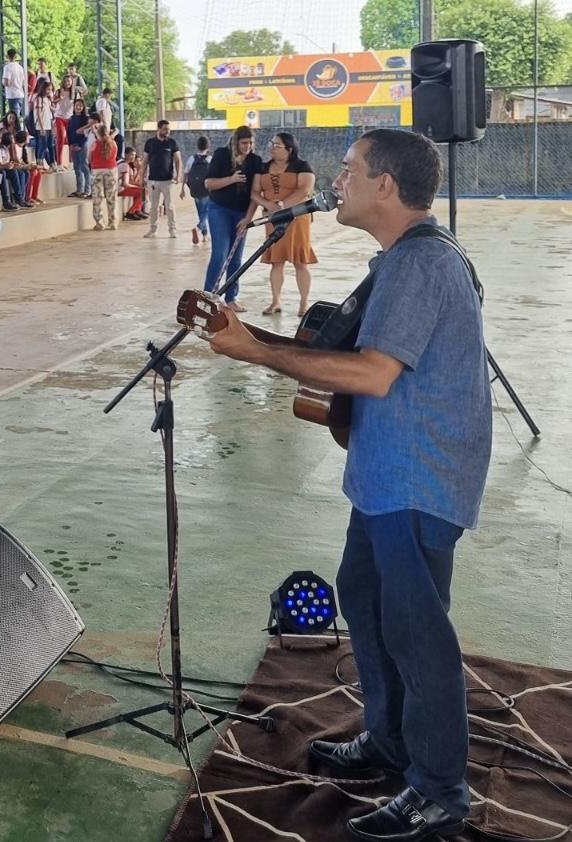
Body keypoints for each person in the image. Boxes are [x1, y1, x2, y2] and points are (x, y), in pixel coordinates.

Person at [207, 128, 489, 842]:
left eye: (352, 168)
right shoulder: (401, 259)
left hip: (418, 478)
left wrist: (255, 350)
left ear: (385, 186)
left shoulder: (421, 265)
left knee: (416, 632)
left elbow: (372, 373)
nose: (338, 177)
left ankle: (439, 791)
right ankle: (390, 741)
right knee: (364, 600)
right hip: (387, 473)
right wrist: (265, 344)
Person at [248, 132, 317, 316]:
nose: (272, 147)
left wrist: (282, 206)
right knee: (276, 262)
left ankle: (304, 304)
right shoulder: (262, 167)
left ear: (289, 149)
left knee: (300, 262)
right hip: (273, 219)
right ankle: (276, 301)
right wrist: (269, 205)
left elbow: (305, 190)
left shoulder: (302, 166)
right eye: (272, 143)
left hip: (297, 218)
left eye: (277, 145)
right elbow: (254, 192)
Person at [203, 125, 264, 310]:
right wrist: (231, 179)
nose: (248, 146)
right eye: (244, 143)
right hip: (219, 209)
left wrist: (248, 219)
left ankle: (231, 297)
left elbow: (256, 192)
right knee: (220, 253)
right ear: (236, 142)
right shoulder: (222, 155)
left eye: (251, 143)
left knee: (236, 257)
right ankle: (209, 296)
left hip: (241, 213)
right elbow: (209, 184)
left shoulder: (255, 161)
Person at [140, 120, 181, 239]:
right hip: (153, 180)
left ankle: (172, 230)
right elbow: (145, 161)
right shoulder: (150, 143)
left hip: (168, 181)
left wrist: (178, 176)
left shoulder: (172, 143)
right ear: (158, 129)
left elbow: (178, 160)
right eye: (165, 129)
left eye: (168, 129)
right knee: (153, 207)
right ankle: (153, 229)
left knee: (170, 206)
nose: (167, 131)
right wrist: (142, 177)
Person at [181, 136, 211, 245]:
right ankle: (198, 228)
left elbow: (185, 174)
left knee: (201, 212)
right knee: (207, 212)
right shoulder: (209, 159)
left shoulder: (191, 159)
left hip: (194, 189)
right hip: (206, 189)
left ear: (197, 146)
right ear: (208, 146)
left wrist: (182, 189)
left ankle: (205, 235)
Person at [89, 124, 118, 231]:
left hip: (97, 170)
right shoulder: (113, 143)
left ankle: (100, 223)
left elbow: (89, 157)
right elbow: (115, 156)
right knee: (112, 197)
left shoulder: (95, 144)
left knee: (98, 198)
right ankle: (113, 222)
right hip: (111, 170)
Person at [66, 98, 93, 199]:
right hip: (73, 146)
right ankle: (79, 190)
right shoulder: (71, 118)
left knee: (84, 167)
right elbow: (69, 133)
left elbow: (86, 135)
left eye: (80, 106)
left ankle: (87, 190)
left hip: (82, 145)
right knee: (76, 168)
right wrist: (71, 145)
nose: (78, 107)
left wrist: (80, 145)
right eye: (77, 105)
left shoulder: (85, 119)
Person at [30, 78, 55, 168]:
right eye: (48, 89)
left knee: (50, 145)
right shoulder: (38, 99)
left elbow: (51, 112)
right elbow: (38, 114)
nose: (49, 91)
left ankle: (52, 163)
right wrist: (41, 127)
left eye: (51, 89)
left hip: (48, 125)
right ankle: (39, 162)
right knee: (43, 145)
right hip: (42, 125)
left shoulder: (47, 100)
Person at [119, 146, 145, 221]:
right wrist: (138, 187)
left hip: (119, 187)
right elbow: (125, 184)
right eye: (131, 155)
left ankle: (137, 210)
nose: (133, 157)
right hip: (119, 189)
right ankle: (131, 212)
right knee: (141, 191)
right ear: (126, 155)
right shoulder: (125, 165)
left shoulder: (124, 164)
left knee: (141, 189)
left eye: (134, 155)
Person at [2, 48, 25, 115]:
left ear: (7, 56)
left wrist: (2, 81)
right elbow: (23, 81)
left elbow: (7, 83)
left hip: (12, 95)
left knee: (14, 117)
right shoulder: (20, 67)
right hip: (20, 94)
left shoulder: (7, 67)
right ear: (16, 56)